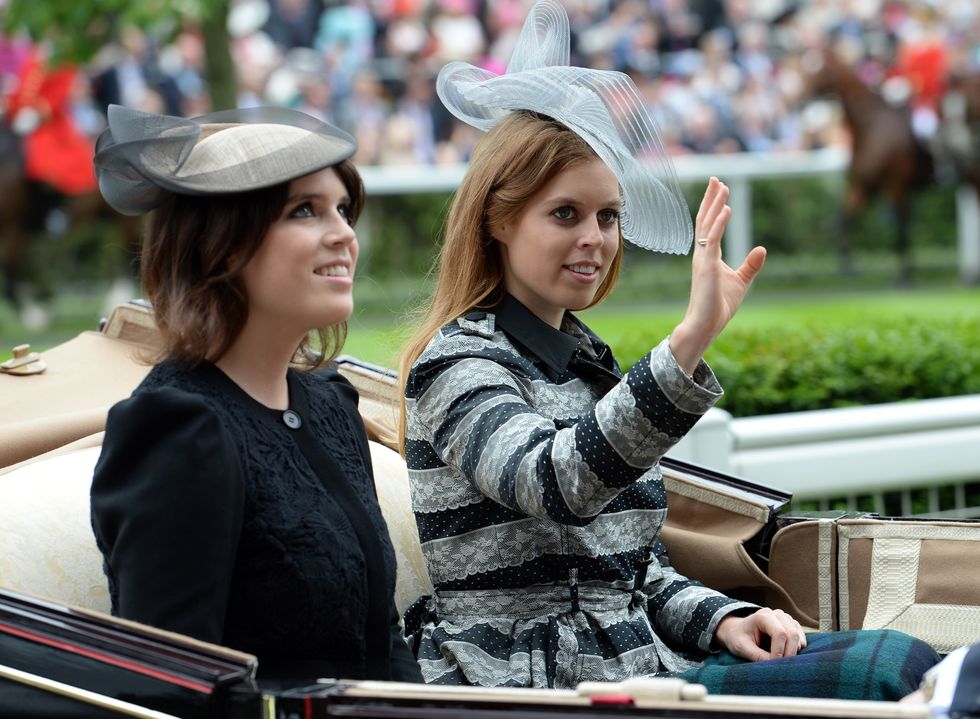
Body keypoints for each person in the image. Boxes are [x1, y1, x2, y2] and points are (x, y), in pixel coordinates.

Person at [397, 0, 938, 698]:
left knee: (911, 656)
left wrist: (725, 618)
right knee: (886, 672)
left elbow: (635, 570)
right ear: (498, 219)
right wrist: (689, 340)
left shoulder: (585, 359)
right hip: (531, 685)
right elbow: (558, 484)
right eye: (565, 213)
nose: (594, 237)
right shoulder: (456, 363)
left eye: (608, 215)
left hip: (639, 666)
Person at [89, 104, 423, 687]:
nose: (344, 233)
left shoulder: (330, 405)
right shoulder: (177, 428)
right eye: (304, 211)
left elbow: (381, 637)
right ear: (223, 244)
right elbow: (170, 688)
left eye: (343, 209)